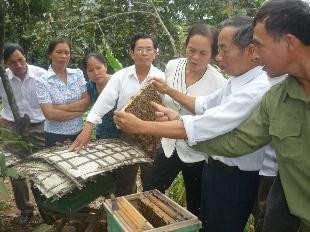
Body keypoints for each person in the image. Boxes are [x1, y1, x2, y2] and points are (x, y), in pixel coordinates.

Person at [114, 16, 284, 232]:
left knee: (220, 226)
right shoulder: (237, 80)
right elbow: (205, 105)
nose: (219, 58)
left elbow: (204, 125)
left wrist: (140, 126)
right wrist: (173, 109)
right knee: (207, 220)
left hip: (236, 178)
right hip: (216, 167)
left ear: (250, 51)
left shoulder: (256, 89)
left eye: (222, 50)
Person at [143, 23, 226, 217]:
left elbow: (211, 123)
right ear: (185, 47)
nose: (195, 57)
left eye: (203, 53)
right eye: (191, 50)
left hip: (197, 152)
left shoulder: (219, 83)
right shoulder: (173, 66)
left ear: (213, 54)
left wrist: (177, 118)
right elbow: (167, 101)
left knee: (196, 205)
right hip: (169, 144)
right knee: (150, 191)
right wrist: (164, 113)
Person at [70, 32, 165, 195]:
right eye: (139, 49)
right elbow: (103, 102)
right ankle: (123, 217)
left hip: (154, 135)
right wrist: (88, 128)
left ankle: (151, 215)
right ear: (131, 52)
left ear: (155, 53)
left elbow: (170, 107)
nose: (144, 53)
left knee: (152, 181)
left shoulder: (162, 77)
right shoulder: (121, 76)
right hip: (127, 136)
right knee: (125, 181)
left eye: (148, 49)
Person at [0, 43, 47, 225]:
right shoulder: (3, 79)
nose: (18, 65)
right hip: (12, 129)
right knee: (15, 170)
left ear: (25, 56)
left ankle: (46, 207)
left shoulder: (40, 74)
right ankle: (25, 209)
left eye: (20, 60)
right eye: (12, 63)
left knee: (41, 169)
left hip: (38, 126)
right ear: (5, 64)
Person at [36, 38, 90, 147]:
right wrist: (79, 112)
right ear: (50, 55)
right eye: (59, 52)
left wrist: (60, 107)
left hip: (79, 132)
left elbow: (87, 101)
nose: (63, 56)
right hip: (55, 136)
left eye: (67, 52)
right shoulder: (42, 81)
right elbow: (50, 114)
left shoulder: (77, 74)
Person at [83, 53, 121, 139]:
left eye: (99, 68)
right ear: (86, 72)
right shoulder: (90, 86)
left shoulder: (118, 83)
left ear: (105, 66)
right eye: (90, 70)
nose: (96, 73)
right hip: (101, 134)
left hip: (123, 134)